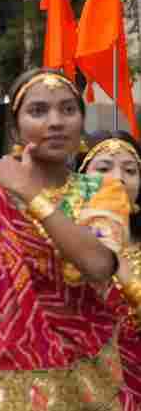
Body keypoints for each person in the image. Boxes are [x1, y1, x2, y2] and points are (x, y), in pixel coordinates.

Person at [0, 68, 130, 409]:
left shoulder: (101, 191)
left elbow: (99, 265)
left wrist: (30, 193)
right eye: (39, 111)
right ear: (15, 127)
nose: (56, 121)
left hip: (82, 384)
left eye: (68, 110)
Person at [78, 130, 141, 411]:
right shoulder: (58, 243)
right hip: (78, 388)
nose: (118, 178)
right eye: (104, 168)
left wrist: (125, 274)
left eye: (130, 170)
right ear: (80, 179)